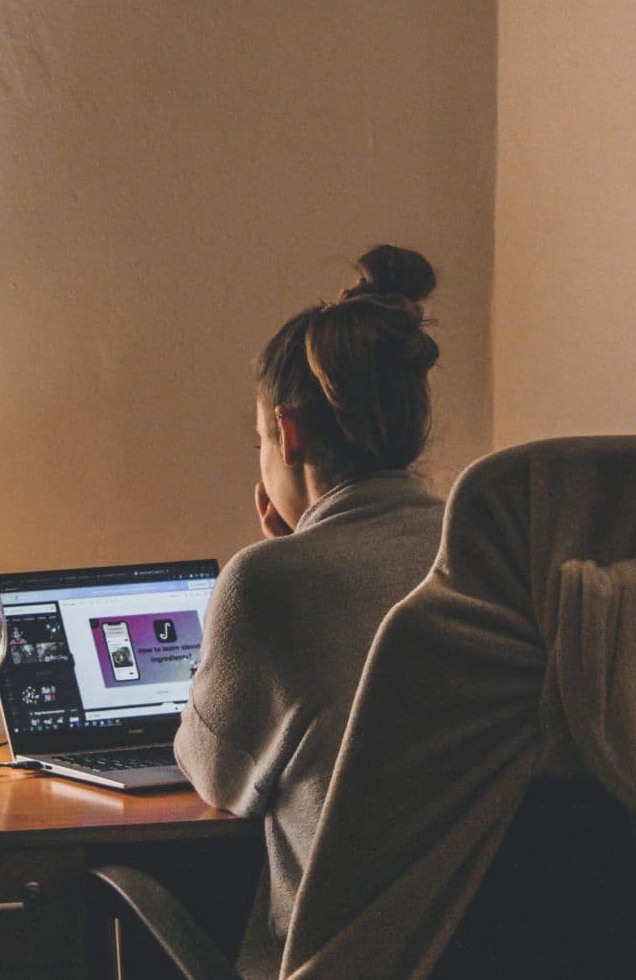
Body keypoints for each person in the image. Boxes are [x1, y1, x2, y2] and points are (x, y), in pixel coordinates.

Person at [174, 245, 447, 979]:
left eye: (261, 438)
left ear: (287, 432)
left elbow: (218, 780)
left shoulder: (268, 582)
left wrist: (281, 558)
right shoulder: (493, 552)